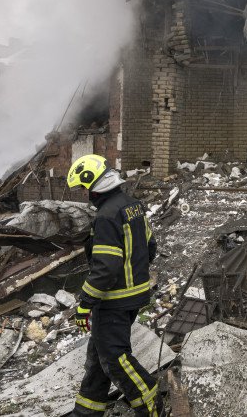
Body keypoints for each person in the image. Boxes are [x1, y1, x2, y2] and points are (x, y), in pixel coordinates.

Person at [66, 154, 159, 416]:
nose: (85, 194)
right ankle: (86, 411)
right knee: (99, 356)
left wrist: (85, 303)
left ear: (94, 184)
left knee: (115, 359)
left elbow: (105, 268)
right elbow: (150, 247)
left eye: (84, 188)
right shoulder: (133, 205)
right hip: (134, 295)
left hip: (114, 299)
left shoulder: (106, 216)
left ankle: (151, 403)